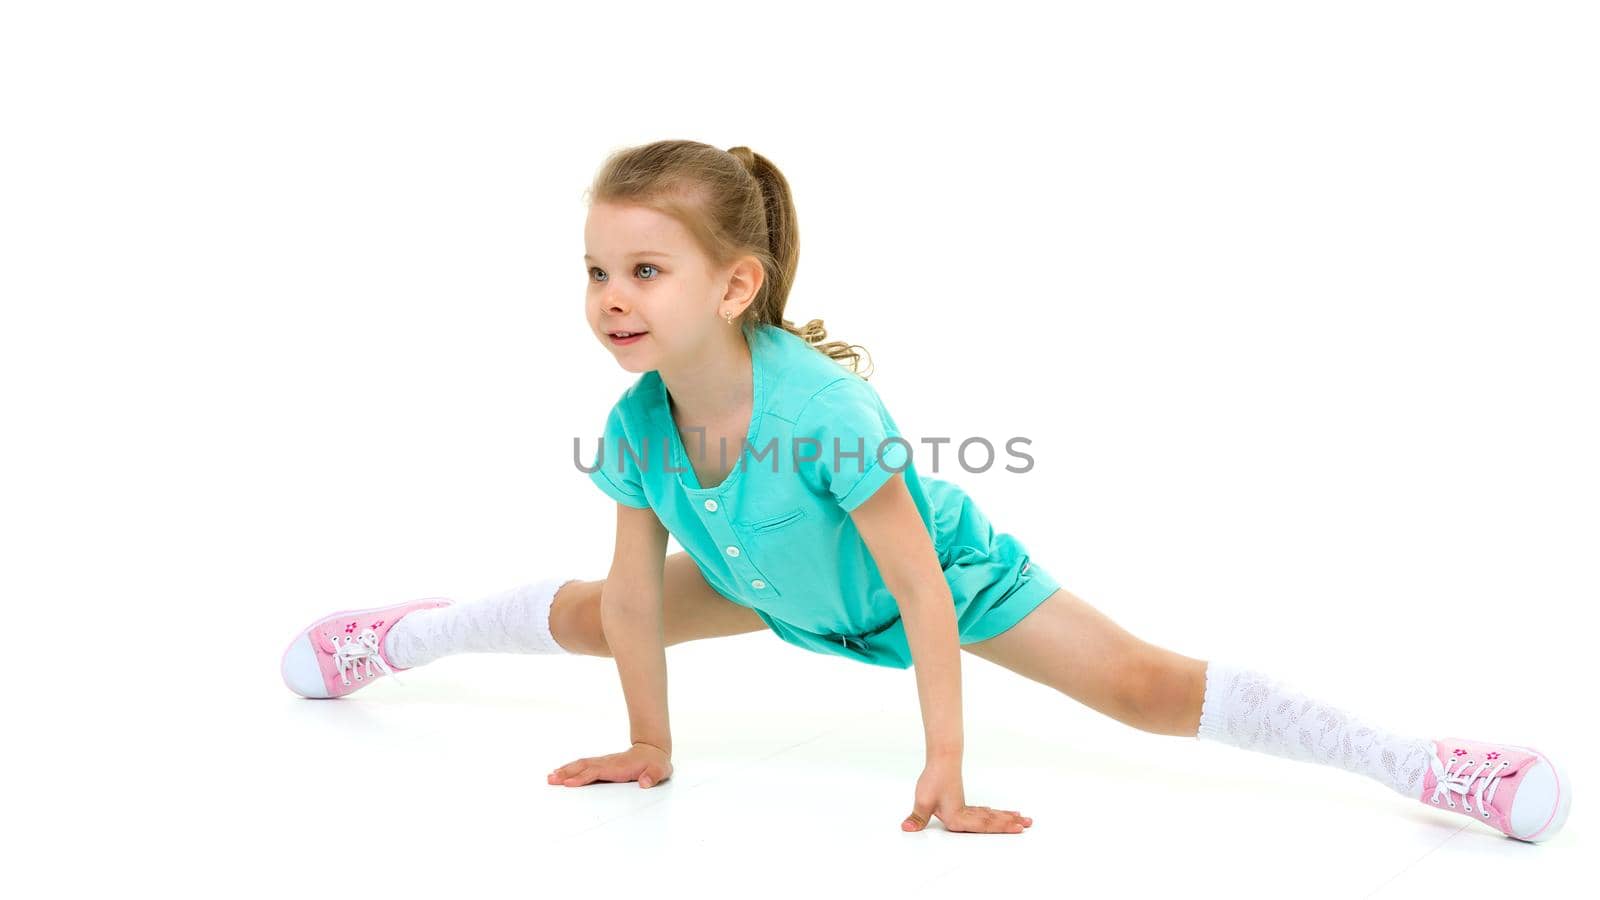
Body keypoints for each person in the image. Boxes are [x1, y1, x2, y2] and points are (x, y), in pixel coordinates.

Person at [280, 139, 1572, 841]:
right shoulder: (637, 425)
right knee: (585, 612)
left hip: (931, 590)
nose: (612, 299)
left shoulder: (829, 414)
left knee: (1141, 688)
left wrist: (943, 769)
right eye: (596, 270)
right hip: (770, 581)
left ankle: (1423, 763)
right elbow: (631, 598)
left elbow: (915, 594)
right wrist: (653, 744)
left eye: (646, 271)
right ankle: (398, 637)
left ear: (733, 287)